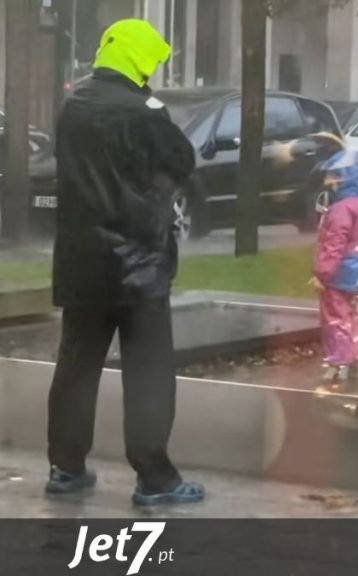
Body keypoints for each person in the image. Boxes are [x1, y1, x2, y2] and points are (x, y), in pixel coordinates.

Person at [47, 19, 204, 506]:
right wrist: (156, 110)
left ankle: (66, 468)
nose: (153, 69)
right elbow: (182, 160)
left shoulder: (73, 105)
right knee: (148, 374)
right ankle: (155, 479)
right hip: (138, 266)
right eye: (151, 61)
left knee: (76, 366)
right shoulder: (144, 112)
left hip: (80, 264)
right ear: (136, 60)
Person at [311, 147, 358, 387]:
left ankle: (340, 362)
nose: (329, 182)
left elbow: (333, 244)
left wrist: (322, 273)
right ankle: (353, 352)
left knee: (335, 317)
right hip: (357, 272)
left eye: (334, 176)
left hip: (338, 275)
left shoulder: (340, 209)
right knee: (349, 314)